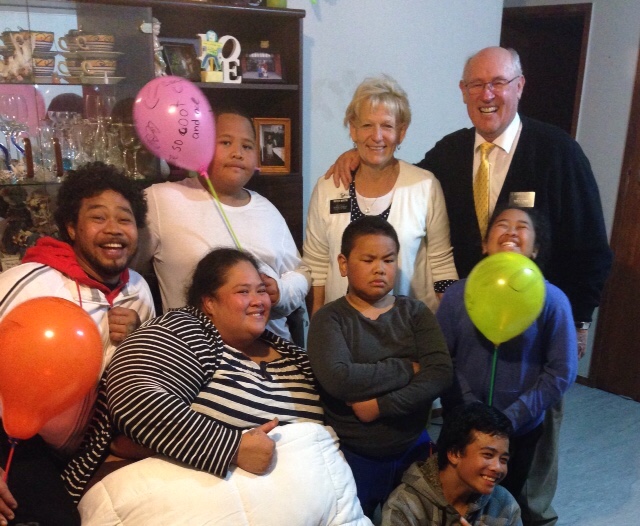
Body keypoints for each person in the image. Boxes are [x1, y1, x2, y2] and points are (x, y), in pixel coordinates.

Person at [326, 47, 612, 359]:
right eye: (476, 84)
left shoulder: (559, 152)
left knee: (530, 391)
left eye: (498, 82)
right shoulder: (449, 152)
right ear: (463, 91)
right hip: (465, 325)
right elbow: (404, 181)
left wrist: (580, 321)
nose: (486, 95)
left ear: (519, 86)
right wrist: (361, 156)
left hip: (533, 322)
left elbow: (590, 245)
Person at [0, 162, 155, 526]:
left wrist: (140, 336)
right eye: (98, 217)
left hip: (94, 445)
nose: (113, 229)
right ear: (71, 227)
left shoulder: (139, 289)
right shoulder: (28, 281)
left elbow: (144, 375)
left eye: (125, 219)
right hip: (16, 440)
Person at [106, 247, 324, 479]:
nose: (258, 301)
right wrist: (231, 448)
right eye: (243, 291)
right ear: (209, 303)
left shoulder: (293, 355)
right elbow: (132, 394)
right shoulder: (187, 331)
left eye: (261, 290)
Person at [436, 206, 578, 526]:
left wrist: (510, 418)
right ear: (485, 245)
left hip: (519, 430)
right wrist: (471, 412)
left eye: (522, 226)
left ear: (535, 249)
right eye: (502, 224)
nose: (512, 231)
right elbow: (442, 358)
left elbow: (561, 371)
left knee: (503, 501)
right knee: (451, 498)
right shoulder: (458, 295)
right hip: (460, 423)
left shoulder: (553, 300)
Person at [307, 216, 453, 519]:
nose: (380, 268)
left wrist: (379, 406)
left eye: (388, 259)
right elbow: (339, 378)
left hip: (413, 446)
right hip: (352, 454)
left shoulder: (415, 312)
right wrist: (407, 368)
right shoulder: (329, 319)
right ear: (344, 264)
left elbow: (439, 373)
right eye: (368, 259)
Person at [135, 109, 309, 341]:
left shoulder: (267, 209)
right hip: (196, 350)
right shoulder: (161, 200)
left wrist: (282, 292)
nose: (238, 153)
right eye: (226, 142)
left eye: (247, 146)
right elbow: (125, 269)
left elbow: (301, 273)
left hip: (271, 348)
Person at [304, 74, 457, 316]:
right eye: (367, 125)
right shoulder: (328, 187)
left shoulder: (425, 186)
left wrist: (448, 325)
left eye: (387, 126)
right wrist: (318, 323)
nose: (377, 136)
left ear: (401, 132)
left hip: (410, 327)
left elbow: (442, 265)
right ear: (353, 130)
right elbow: (317, 265)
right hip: (342, 328)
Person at [382, 402, 522, 526]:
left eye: (503, 459)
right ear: (454, 453)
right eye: (488, 455)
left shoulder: (504, 504)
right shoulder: (405, 504)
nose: (497, 467)